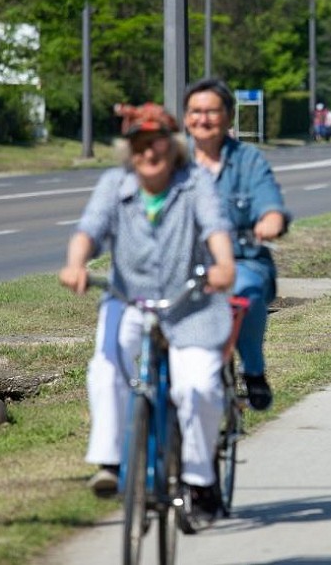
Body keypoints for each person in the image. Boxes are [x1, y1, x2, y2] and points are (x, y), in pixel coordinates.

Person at [59, 103, 235, 524]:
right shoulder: (114, 183)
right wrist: (76, 263)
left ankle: (199, 478)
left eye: (156, 141)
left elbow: (215, 229)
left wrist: (224, 265)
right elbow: (89, 229)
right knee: (106, 368)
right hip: (128, 300)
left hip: (189, 303)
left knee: (198, 388)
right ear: (128, 149)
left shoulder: (194, 183)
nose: (148, 151)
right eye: (139, 143)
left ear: (173, 146)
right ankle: (113, 461)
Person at [184, 78, 291, 413]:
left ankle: (254, 370)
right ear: (186, 118)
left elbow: (269, 201)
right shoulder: (172, 160)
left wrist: (270, 220)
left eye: (212, 112)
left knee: (245, 291)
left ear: (229, 118)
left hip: (242, 259)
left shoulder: (248, 160)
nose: (203, 119)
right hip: (183, 264)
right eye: (195, 112)